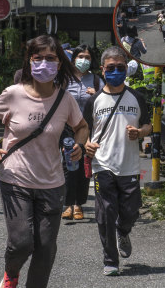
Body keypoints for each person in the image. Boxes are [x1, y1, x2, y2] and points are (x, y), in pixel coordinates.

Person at [0, 35, 89, 288]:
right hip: (15, 179)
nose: (44, 63)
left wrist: (80, 145)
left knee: (45, 248)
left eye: (50, 58)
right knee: (21, 243)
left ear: (59, 64)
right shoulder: (13, 94)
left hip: (52, 183)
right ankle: (11, 273)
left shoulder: (65, 99)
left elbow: (82, 126)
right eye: (38, 58)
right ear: (30, 62)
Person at [84, 46, 152, 277]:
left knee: (131, 210)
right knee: (106, 213)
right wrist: (85, 144)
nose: (115, 71)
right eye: (110, 68)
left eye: (120, 68)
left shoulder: (137, 97)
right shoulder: (94, 101)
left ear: (126, 70)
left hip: (130, 166)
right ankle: (110, 260)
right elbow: (83, 129)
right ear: (102, 70)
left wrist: (141, 133)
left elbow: (148, 124)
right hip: (102, 165)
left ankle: (123, 231)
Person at [61, 44, 103, 221]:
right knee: (68, 166)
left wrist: (97, 94)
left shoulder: (95, 80)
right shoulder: (64, 79)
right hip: (66, 128)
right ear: (73, 58)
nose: (84, 60)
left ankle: (78, 204)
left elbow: (106, 99)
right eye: (80, 57)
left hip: (86, 128)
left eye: (87, 57)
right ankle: (67, 204)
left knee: (83, 168)